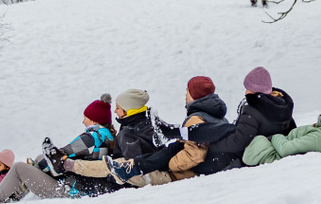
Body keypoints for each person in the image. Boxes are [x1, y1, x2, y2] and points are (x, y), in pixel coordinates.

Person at [0, 98, 120, 204]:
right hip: (81, 184)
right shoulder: (106, 135)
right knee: (39, 159)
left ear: (94, 120)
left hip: (72, 190)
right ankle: (14, 193)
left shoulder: (91, 138)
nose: (83, 121)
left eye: (85, 118)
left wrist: (41, 165)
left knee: (18, 168)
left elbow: (61, 155)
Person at [105, 76, 234, 185]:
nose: (185, 95)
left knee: (114, 169)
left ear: (194, 95)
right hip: (200, 167)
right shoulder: (215, 115)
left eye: (187, 91)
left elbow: (194, 155)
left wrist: (168, 164)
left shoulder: (196, 118)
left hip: (185, 173)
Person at [187, 66, 295, 174]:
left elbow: (238, 141)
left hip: (250, 156)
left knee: (203, 166)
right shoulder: (281, 105)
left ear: (253, 90)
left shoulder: (253, 110)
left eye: (248, 88)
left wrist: (213, 145)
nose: (246, 91)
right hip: (268, 150)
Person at [65, 88, 168, 181]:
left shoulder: (128, 134)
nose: (114, 111)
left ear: (128, 110)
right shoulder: (146, 125)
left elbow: (131, 166)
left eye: (118, 108)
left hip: (127, 180)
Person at [243, 97, 321, 166]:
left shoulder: (319, 136)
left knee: (255, 141)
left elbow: (285, 149)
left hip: (271, 155)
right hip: (282, 148)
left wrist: (275, 136)